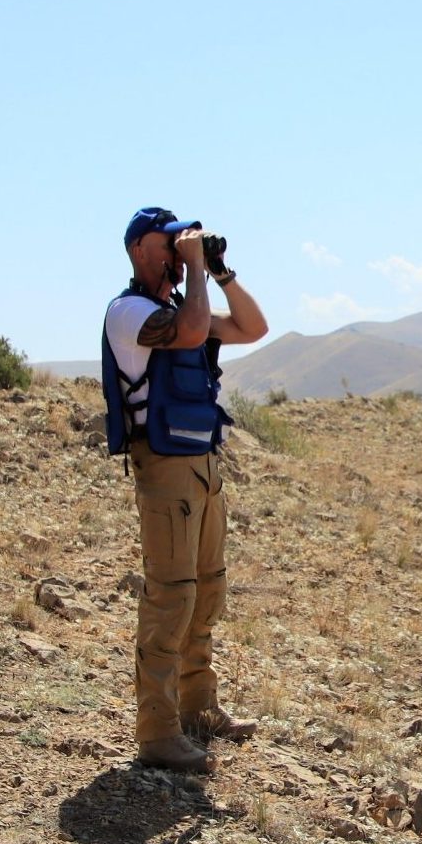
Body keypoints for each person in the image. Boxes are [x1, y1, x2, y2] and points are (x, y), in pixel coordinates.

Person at [100, 207, 271, 773]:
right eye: (167, 241)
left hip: (202, 462)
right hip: (165, 466)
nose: (177, 249)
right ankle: (157, 732)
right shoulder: (129, 312)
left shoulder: (183, 305)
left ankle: (199, 708)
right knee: (171, 595)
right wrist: (194, 264)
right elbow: (194, 331)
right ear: (139, 250)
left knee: (207, 587)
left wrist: (219, 270)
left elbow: (252, 328)